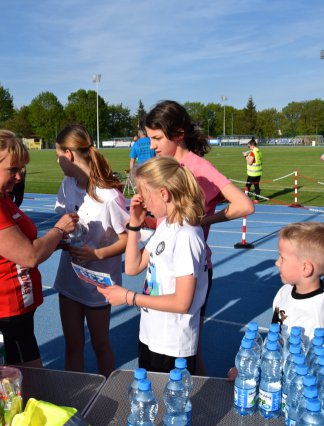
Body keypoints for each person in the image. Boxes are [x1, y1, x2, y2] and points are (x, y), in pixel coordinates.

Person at [144, 100, 254, 375]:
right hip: (160, 264)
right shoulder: (161, 166)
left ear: (178, 134)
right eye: (150, 139)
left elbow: (245, 205)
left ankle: (197, 404)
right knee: (160, 348)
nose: (152, 145)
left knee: (187, 350)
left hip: (190, 267)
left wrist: (204, 219)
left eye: (157, 138)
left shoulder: (198, 167)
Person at [0, 130, 78, 367]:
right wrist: (59, 230)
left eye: (21, 170)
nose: (19, 177)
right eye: (12, 170)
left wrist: (53, 243)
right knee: (25, 382)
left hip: (14, 305)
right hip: (3, 308)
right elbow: (28, 255)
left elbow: (14, 246)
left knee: (23, 380)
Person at [98, 156, 208, 375]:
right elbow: (132, 266)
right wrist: (134, 226)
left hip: (173, 345)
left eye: (144, 193)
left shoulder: (186, 235)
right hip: (152, 336)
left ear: (164, 194)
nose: (141, 200)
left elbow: (182, 302)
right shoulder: (167, 225)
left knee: (170, 405)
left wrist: (128, 297)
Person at [53, 124, 129, 377]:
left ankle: (110, 393)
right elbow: (64, 223)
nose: (57, 161)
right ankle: (74, 397)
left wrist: (97, 254)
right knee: (72, 345)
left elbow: (127, 239)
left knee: (100, 344)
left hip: (98, 283)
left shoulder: (109, 196)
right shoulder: (67, 183)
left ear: (69, 155)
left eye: (58, 156)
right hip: (69, 278)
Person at [227, 221, 324, 380]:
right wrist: (252, 367)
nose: (276, 262)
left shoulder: (317, 321)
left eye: (282, 258)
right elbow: (276, 336)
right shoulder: (285, 291)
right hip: (272, 377)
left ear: (306, 268)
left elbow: (309, 373)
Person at [244, 137, 262, 203]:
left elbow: (250, 162)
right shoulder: (258, 151)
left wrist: (245, 156)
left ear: (252, 145)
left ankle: (245, 199)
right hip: (258, 172)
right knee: (256, 186)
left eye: (249, 146)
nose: (248, 147)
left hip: (252, 173)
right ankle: (256, 199)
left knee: (247, 186)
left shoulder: (253, 153)